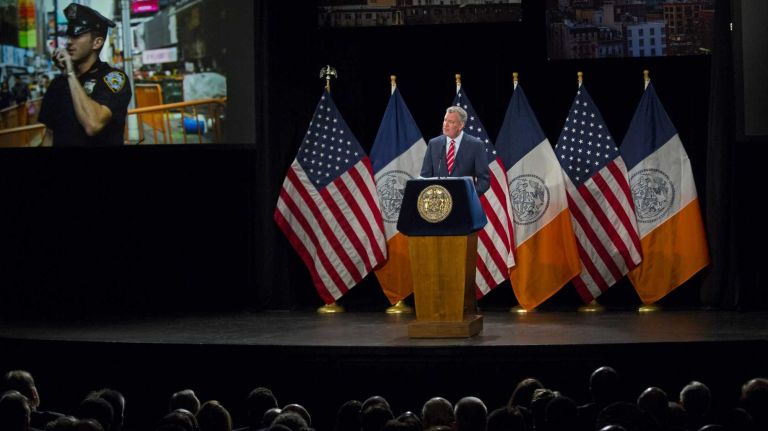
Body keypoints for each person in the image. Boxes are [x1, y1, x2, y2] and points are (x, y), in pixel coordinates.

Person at [38, 3, 131, 146]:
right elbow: (50, 136)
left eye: (77, 35)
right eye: (69, 35)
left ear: (97, 43)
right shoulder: (58, 84)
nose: (69, 42)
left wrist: (70, 73)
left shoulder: (113, 78)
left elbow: (93, 125)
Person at [420, 106, 490, 195]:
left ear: (461, 125)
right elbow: (425, 177)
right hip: (438, 203)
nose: (445, 125)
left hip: (464, 202)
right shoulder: (434, 144)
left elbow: (484, 180)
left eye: (451, 122)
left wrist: (470, 195)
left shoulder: (476, 145)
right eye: (445, 120)